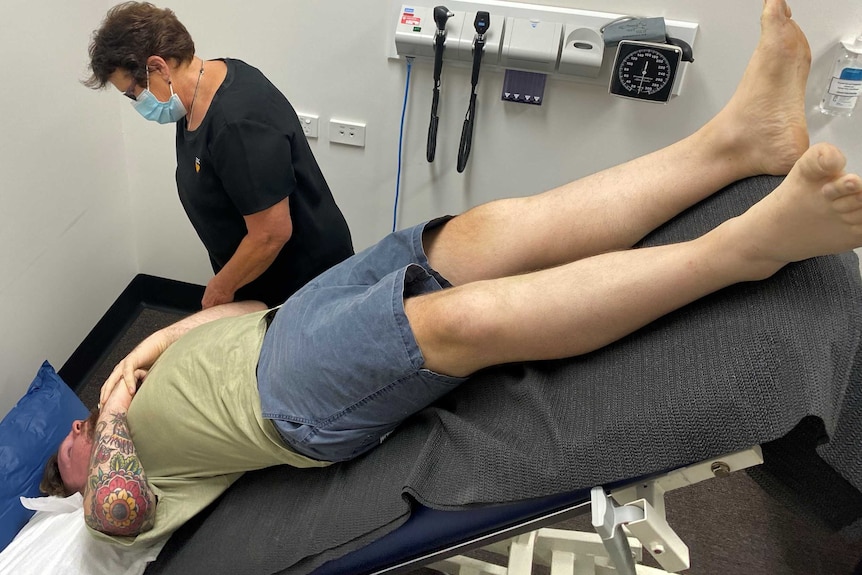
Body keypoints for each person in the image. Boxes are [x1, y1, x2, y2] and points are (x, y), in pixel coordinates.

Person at [44, 0, 861, 548]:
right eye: (65, 451)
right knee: (454, 321)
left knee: (471, 235)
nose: (73, 431)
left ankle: (736, 143)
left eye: (73, 429)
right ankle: (746, 248)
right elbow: (118, 513)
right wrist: (113, 407)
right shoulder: (118, 482)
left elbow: (240, 293)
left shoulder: (131, 377)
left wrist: (176, 331)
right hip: (281, 400)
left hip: (277, 320)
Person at [85, 2, 354, 308]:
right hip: (260, 277)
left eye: (133, 92)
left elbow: (271, 233)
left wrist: (220, 288)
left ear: (159, 67)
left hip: (304, 283)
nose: (136, 102)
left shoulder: (236, 123)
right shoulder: (196, 96)